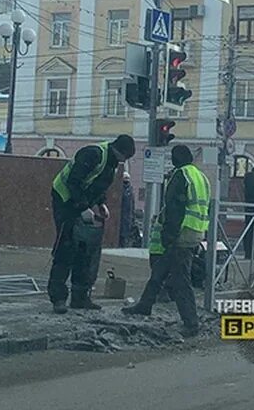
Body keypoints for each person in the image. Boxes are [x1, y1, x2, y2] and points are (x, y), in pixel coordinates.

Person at [123, 145, 211, 336]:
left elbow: (174, 209)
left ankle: (191, 323)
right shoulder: (200, 176)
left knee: (181, 280)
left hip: (181, 233)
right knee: (160, 270)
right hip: (196, 232)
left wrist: (168, 236)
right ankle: (145, 304)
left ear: (175, 159)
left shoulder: (180, 176)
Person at [47, 134, 136, 314]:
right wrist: (81, 207)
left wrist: (100, 204)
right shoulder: (93, 154)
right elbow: (74, 182)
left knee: (86, 250)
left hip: (83, 202)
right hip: (64, 200)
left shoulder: (111, 163)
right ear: (118, 151)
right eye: (124, 158)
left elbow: (98, 185)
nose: (123, 162)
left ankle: (80, 297)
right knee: (66, 248)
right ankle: (58, 298)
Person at [118, 172, 134, 248]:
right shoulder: (119, 188)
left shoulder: (130, 190)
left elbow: (132, 205)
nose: (126, 180)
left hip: (127, 217)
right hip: (120, 216)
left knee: (124, 235)